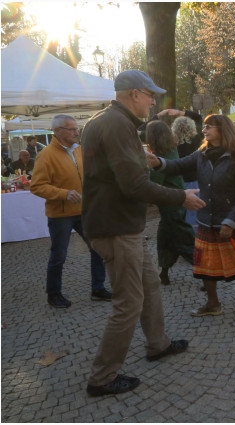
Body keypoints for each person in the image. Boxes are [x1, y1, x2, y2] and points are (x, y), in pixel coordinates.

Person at [81, 70, 206, 397]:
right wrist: (182, 196)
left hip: (122, 225)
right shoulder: (116, 124)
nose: (153, 101)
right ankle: (102, 377)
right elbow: (133, 185)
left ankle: (157, 344)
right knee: (128, 302)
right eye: (150, 94)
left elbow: (118, 171)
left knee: (149, 286)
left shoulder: (109, 121)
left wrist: (146, 161)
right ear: (134, 93)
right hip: (116, 227)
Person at [149, 113, 235, 317]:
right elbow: (178, 165)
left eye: (208, 127)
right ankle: (213, 304)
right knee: (205, 266)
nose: (204, 130)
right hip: (207, 219)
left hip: (230, 220)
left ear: (222, 130)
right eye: (204, 126)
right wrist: (158, 162)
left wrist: (231, 221)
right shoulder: (202, 153)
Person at [30, 115, 111, 308]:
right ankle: (54, 294)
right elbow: (37, 186)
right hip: (61, 215)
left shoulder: (79, 150)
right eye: (72, 129)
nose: (77, 132)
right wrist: (63, 194)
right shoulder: (46, 155)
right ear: (58, 131)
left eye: (77, 129)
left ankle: (98, 288)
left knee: (97, 248)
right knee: (59, 256)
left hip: (84, 211)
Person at [145, 120, 195, 285]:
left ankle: (208, 274)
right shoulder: (170, 148)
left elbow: (155, 178)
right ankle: (164, 274)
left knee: (187, 243)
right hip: (172, 203)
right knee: (164, 240)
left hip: (173, 204)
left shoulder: (162, 154)